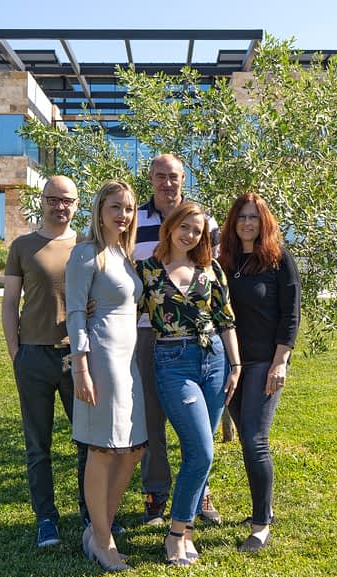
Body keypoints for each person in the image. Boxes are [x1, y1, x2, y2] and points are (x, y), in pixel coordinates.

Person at [137, 201, 242, 566]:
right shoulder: (147, 270)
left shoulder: (210, 269)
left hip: (214, 359)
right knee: (202, 451)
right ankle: (176, 533)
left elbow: (225, 320)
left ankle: (187, 530)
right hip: (172, 361)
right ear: (171, 227)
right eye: (185, 227)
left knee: (201, 451)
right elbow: (123, 312)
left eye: (197, 230)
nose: (190, 235)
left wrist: (235, 364)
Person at [134, 153, 223, 526]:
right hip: (146, 331)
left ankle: (199, 493)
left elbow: (214, 278)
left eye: (173, 176)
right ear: (150, 179)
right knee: (152, 416)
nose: (166, 183)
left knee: (200, 424)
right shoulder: (134, 220)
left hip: (199, 339)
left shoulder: (207, 222)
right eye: (159, 176)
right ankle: (156, 495)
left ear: (184, 178)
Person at [1, 175, 88, 548]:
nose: (60, 206)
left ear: (77, 204)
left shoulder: (86, 246)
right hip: (33, 357)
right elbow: (9, 304)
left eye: (67, 200)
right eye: (53, 199)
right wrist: (16, 353)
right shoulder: (23, 246)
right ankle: (46, 519)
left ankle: (92, 514)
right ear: (43, 201)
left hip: (77, 358)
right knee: (38, 446)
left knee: (88, 442)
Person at [65, 180, 148, 572]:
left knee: (133, 449)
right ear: (99, 210)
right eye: (115, 207)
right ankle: (102, 539)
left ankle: (99, 531)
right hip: (100, 361)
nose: (123, 214)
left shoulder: (122, 254)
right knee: (102, 449)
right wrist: (81, 367)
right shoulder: (87, 253)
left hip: (127, 362)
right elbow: (77, 313)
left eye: (129, 208)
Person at [217, 192, 301, 553]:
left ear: (263, 222)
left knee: (254, 438)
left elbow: (291, 314)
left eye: (253, 217)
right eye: (241, 218)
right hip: (231, 363)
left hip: (265, 363)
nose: (247, 223)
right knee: (249, 438)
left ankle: (261, 524)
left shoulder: (279, 260)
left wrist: (280, 361)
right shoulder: (224, 261)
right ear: (233, 224)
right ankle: (263, 509)